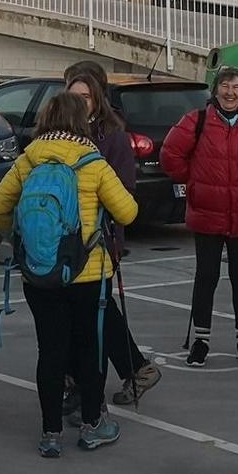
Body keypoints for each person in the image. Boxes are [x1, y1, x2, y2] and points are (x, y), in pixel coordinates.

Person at [0, 92, 140, 456]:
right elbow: (128, 213)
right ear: (80, 122)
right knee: (89, 349)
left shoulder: (29, 159)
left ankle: (50, 433)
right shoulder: (93, 162)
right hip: (86, 274)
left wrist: (20, 239)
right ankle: (92, 425)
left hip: (40, 274)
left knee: (50, 351)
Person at [161, 66, 238, 366]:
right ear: (215, 89)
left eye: (236, 87)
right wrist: (194, 181)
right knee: (206, 277)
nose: (230, 92)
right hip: (207, 214)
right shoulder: (196, 120)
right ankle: (201, 341)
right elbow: (170, 154)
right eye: (224, 86)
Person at [63, 60, 160, 406]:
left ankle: (88, 388)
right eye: (71, 95)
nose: (77, 103)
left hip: (100, 241)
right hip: (67, 240)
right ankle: (132, 368)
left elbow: (123, 193)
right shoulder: (61, 134)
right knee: (87, 316)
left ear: (98, 97)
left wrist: (115, 238)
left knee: (96, 317)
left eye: (85, 97)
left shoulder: (112, 137)